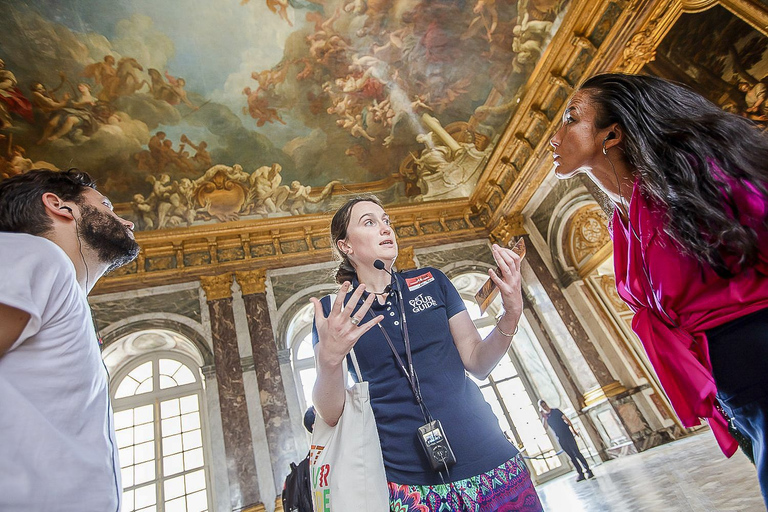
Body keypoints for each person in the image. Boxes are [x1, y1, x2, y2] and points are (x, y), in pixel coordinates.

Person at [549, 72, 768, 506]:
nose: (554, 136)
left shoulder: (699, 176)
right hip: (733, 396)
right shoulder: (621, 220)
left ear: (611, 133)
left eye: (571, 117)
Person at [311, 196, 543, 511]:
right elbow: (331, 413)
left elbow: (477, 361)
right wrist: (329, 362)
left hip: (491, 459)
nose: (385, 228)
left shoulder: (433, 281)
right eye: (369, 222)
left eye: (386, 220)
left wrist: (511, 313)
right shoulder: (332, 312)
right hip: (409, 485)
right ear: (346, 246)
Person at [0, 169, 140, 510]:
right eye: (106, 205)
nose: (127, 222)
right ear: (60, 207)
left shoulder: (52, 279)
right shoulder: (38, 254)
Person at [538, 400, 593, 481]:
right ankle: (580, 473)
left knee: (577, 453)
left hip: (567, 434)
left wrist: (573, 430)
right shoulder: (546, 418)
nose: (544, 407)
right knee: (571, 456)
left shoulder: (556, 411)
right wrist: (544, 417)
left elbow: (566, 419)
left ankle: (588, 470)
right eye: (542, 406)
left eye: (545, 405)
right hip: (560, 438)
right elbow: (545, 427)